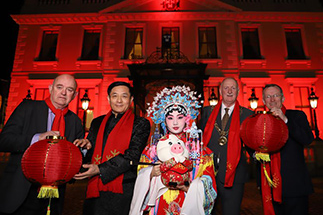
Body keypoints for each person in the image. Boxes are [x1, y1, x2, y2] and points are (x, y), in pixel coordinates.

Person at [0, 74, 90, 215]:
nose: (63, 92)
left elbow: (76, 163)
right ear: (50, 88)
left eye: (69, 89)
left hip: (54, 196)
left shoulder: (75, 121)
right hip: (21, 189)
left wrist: (83, 150)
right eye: (59, 87)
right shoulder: (27, 108)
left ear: (75, 94)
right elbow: (4, 141)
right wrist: (36, 138)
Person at [129, 86, 217, 215]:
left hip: (187, 199)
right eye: (170, 118)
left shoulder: (198, 148)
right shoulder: (154, 148)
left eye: (180, 117)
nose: (175, 122)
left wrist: (188, 187)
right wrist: (151, 172)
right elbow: (141, 172)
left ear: (187, 119)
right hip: (159, 203)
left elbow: (209, 178)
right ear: (164, 120)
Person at [74, 81, 150, 215]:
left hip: (123, 189)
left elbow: (132, 156)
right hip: (95, 189)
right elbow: (91, 151)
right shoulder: (97, 122)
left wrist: (99, 169)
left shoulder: (140, 124)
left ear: (131, 99)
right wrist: (85, 147)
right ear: (109, 98)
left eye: (124, 96)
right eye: (115, 96)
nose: (119, 100)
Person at [200, 77, 254, 215]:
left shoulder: (248, 114)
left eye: (233, 88)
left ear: (238, 91)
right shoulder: (207, 112)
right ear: (220, 91)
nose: (229, 91)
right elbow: (199, 140)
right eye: (226, 88)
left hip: (235, 175)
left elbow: (252, 144)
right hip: (208, 174)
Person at [261, 84, 314, 215]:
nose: (272, 99)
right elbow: (253, 145)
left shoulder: (296, 116)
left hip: (295, 185)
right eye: (268, 96)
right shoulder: (260, 121)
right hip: (270, 186)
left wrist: (285, 120)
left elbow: (307, 139)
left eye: (275, 95)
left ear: (283, 98)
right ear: (263, 101)